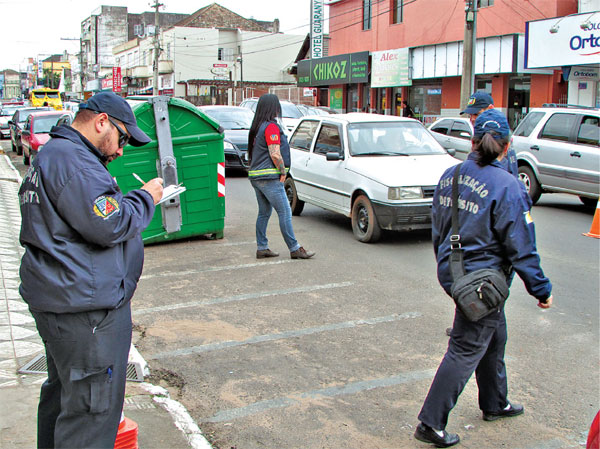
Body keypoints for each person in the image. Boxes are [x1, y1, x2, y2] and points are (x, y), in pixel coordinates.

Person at [19, 91, 163, 449]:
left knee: (64, 399)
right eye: (122, 138)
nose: (121, 150)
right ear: (101, 123)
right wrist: (146, 197)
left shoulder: (54, 154)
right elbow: (109, 223)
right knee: (90, 414)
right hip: (86, 313)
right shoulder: (76, 162)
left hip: (63, 300)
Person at [414, 108, 553, 448]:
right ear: (506, 147)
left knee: (494, 335)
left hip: (455, 272)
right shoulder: (508, 186)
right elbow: (522, 246)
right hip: (482, 284)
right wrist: (541, 289)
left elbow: (439, 229)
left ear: (473, 142)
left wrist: (448, 269)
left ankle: (495, 401)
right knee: (465, 347)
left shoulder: (450, 175)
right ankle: (430, 423)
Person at [247, 94, 314, 260]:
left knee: (264, 213)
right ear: (274, 108)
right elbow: (275, 154)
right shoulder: (270, 127)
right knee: (285, 212)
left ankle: (262, 247)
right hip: (269, 177)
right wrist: (283, 172)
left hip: (256, 177)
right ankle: (295, 248)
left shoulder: (258, 127)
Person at [460, 91, 518, 177]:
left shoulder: (500, 137)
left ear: (490, 108)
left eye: (476, 114)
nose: (472, 119)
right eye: (470, 115)